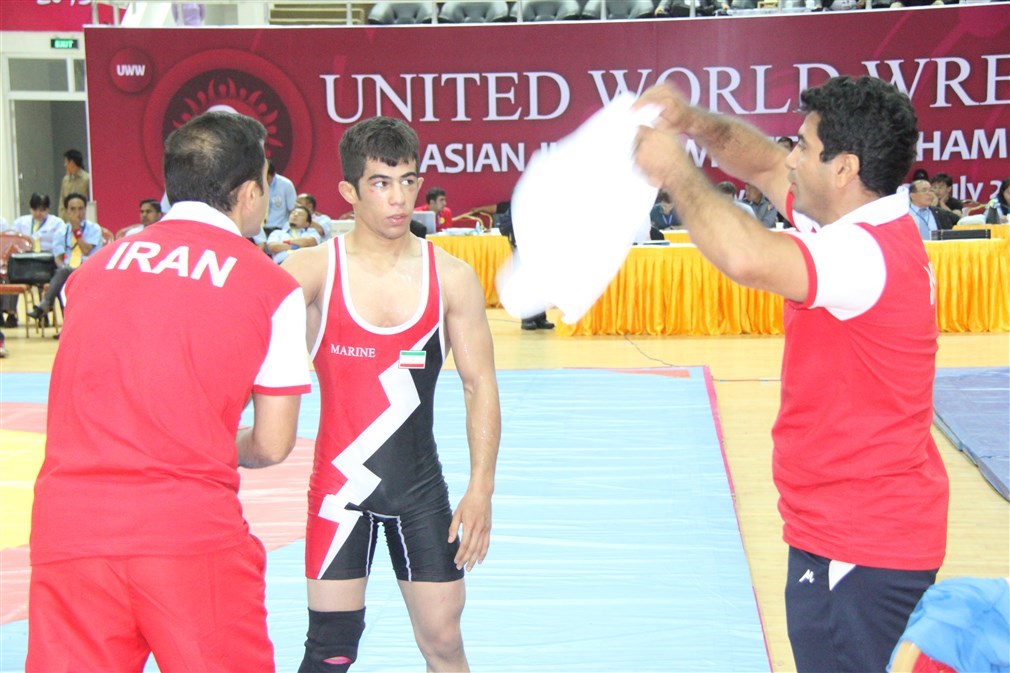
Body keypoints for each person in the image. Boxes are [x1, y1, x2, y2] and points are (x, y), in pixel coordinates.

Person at [634, 75, 948, 672]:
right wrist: (694, 121)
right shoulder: (856, 221)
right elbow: (763, 164)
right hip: (861, 528)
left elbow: (747, 256)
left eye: (804, 146)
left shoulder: (862, 254)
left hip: (857, 541)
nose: (791, 159)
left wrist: (676, 172)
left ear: (845, 169)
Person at [27, 110, 312, 672]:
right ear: (250, 193)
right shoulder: (271, 288)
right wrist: (201, 438)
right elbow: (273, 443)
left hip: (71, 529)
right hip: (185, 534)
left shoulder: (93, 271)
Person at [281, 116, 501, 673]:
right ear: (349, 191)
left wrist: (481, 487)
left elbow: (479, 385)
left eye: (407, 181)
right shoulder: (311, 272)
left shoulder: (451, 277)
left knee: (444, 645)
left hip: (420, 492)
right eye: (381, 183)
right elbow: (240, 349)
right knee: (329, 651)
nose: (399, 198)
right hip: (339, 492)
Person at [27, 192, 104, 325]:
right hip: (67, 271)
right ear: (66, 211)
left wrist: (77, 230)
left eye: (80, 209)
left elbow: (86, 250)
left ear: (85, 210)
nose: (77, 213)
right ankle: (67, 325)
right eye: (73, 209)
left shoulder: (94, 229)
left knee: (63, 275)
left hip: (88, 269)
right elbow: (58, 258)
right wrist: (64, 268)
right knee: (63, 276)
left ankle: (45, 305)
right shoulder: (61, 231)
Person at [7, 193, 65, 327]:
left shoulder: (57, 223)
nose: (38, 213)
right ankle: (11, 314)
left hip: (46, 262)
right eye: (35, 209)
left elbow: (59, 245)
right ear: (30, 208)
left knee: (51, 278)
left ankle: (44, 314)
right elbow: (13, 241)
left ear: (48, 209)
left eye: (42, 210)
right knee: (10, 274)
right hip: (25, 262)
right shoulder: (21, 222)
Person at [265, 160, 297, 235]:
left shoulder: (286, 184)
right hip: (258, 230)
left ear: (273, 175)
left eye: (267, 178)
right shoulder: (255, 184)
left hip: (279, 229)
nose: (264, 181)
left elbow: (292, 209)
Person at [58, 149, 90, 220]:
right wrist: (61, 220)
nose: (65, 165)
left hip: (83, 220)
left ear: (72, 162)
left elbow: (90, 202)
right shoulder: (65, 180)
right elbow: (62, 203)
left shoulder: (87, 179)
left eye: (66, 162)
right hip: (68, 221)